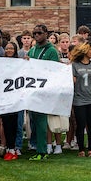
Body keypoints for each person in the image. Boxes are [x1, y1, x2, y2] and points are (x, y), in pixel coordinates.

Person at [27, 24, 60, 161]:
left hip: (44, 90)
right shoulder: (32, 50)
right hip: (33, 89)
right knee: (34, 121)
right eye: (34, 33)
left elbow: (53, 70)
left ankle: (42, 150)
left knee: (41, 121)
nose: (36, 35)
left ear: (46, 33)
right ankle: (37, 147)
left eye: (39, 33)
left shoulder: (51, 51)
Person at [70, 41, 91, 158]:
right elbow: (72, 81)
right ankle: (81, 149)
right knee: (80, 124)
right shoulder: (75, 65)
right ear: (85, 50)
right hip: (79, 99)